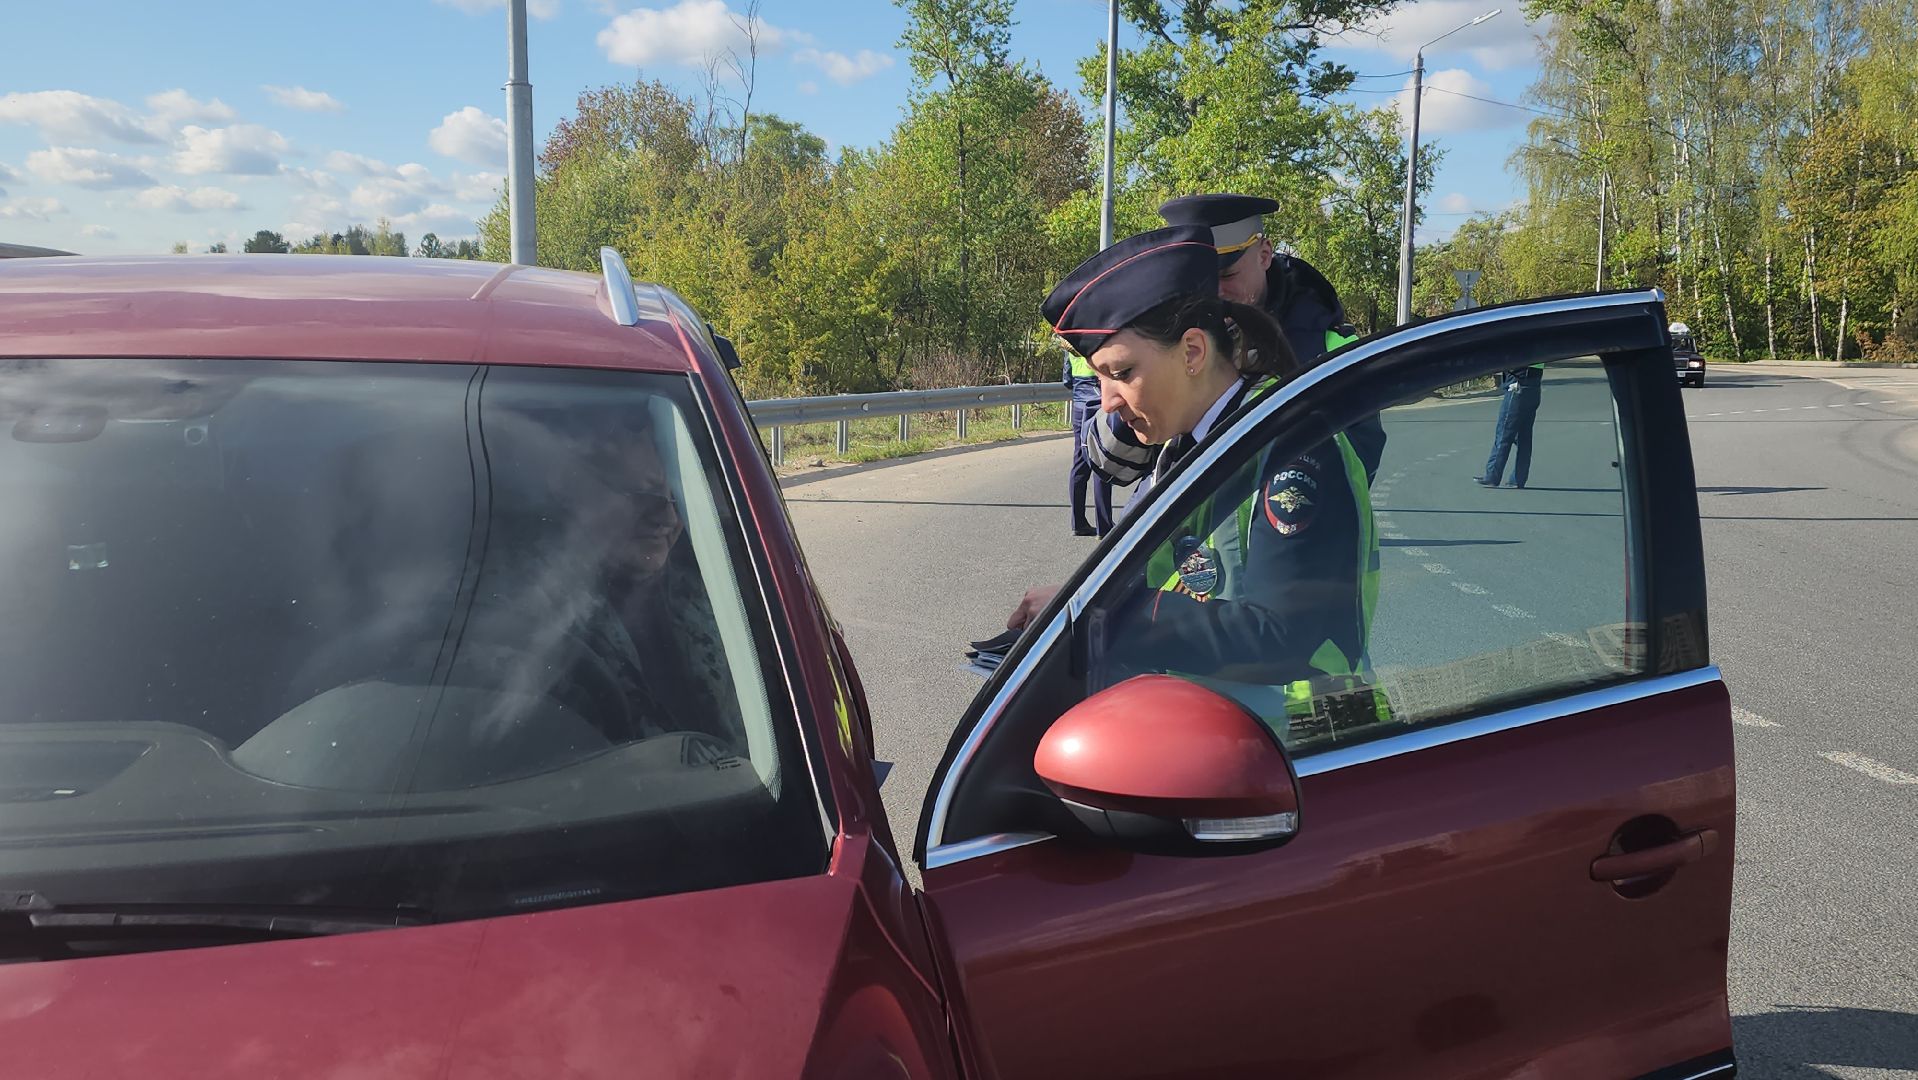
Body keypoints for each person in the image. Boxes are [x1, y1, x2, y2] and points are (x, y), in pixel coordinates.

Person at [1009, 225, 1387, 739]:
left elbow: (1280, 635)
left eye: (1121, 373)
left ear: (1192, 352)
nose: (1108, 402)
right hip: (1238, 735)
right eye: (1099, 379)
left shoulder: (1292, 443)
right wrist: (1078, 604)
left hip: (1314, 747)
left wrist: (1101, 617)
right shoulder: (1198, 440)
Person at [1086, 193, 1386, 496]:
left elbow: (1356, 466)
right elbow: (1109, 463)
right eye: (1196, 281)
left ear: (1264, 254)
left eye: (1227, 274)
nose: (1214, 291)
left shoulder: (1325, 345)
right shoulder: (1169, 334)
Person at [1064, 347, 1114, 536]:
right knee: (1101, 461)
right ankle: (1104, 525)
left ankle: (1078, 522)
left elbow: (1067, 379)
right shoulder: (1096, 343)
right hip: (1098, 404)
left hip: (1079, 405)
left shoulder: (1069, 345)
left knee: (1080, 462)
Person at [1475, 362, 1545, 489]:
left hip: (1517, 385)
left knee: (1504, 433)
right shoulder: (1539, 345)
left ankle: (1492, 476)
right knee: (1524, 437)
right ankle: (1518, 479)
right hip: (1533, 386)